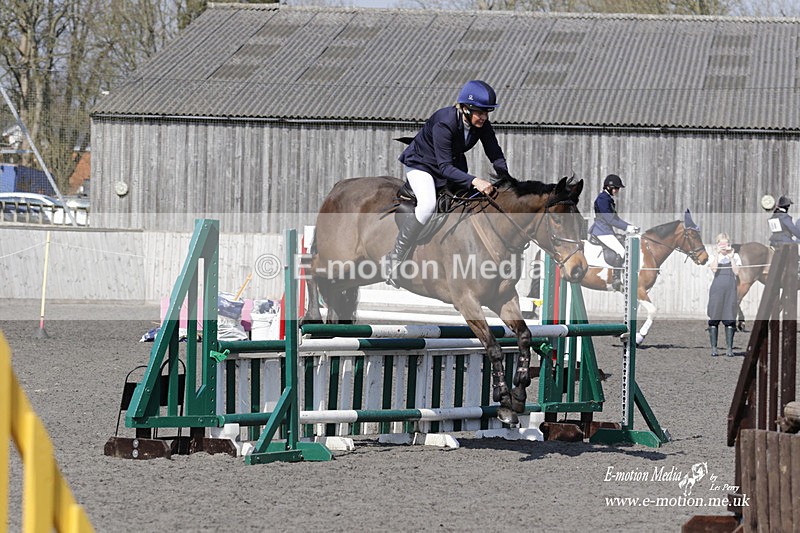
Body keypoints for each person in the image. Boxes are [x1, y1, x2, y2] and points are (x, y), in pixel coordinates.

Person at [385, 80, 510, 284]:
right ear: (465, 108)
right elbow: (444, 168)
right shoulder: (445, 121)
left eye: (487, 112)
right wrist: (475, 180)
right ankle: (395, 257)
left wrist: (506, 178)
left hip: (450, 166)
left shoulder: (481, 124)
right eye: (480, 112)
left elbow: (494, 151)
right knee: (428, 205)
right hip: (423, 166)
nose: (484, 117)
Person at [588, 174, 638, 290]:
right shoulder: (602, 199)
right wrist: (627, 228)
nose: (617, 190)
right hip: (602, 231)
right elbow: (609, 219)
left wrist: (630, 226)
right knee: (621, 250)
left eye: (618, 188)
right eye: (616, 188)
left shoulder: (608, 199)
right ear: (609, 187)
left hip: (606, 230)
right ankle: (616, 279)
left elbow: (615, 219)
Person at [706, 233, 741, 357]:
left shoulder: (736, 256)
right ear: (717, 244)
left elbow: (736, 272)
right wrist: (716, 255)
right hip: (717, 289)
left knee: (729, 317)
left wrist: (731, 257)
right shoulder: (713, 257)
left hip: (730, 289)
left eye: (726, 244)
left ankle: (729, 348)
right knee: (714, 317)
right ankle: (714, 348)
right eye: (721, 244)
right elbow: (714, 269)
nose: (724, 246)